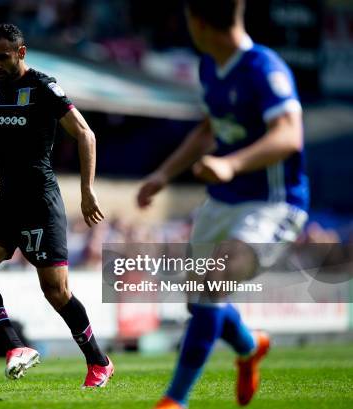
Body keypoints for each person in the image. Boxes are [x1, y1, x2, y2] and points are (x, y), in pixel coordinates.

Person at [136, 0, 309, 407]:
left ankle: (174, 400)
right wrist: (164, 174)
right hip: (221, 202)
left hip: (271, 204)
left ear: (198, 21)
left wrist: (232, 164)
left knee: (211, 284)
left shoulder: (264, 68)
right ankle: (250, 348)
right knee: (200, 297)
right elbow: (209, 128)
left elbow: (290, 136)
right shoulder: (210, 66)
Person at [0, 23, 114, 387]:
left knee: (56, 291)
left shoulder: (43, 88)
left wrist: (87, 190)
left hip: (41, 201)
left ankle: (99, 361)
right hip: (7, 200)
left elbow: (85, 134)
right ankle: (15, 348)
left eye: (2, 57)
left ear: (21, 52)